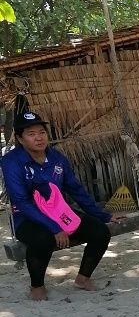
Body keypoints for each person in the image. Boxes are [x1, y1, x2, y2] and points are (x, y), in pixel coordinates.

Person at [1, 110, 119, 301]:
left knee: (100, 232)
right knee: (43, 239)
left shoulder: (56, 158)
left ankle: (83, 279)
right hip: (26, 217)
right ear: (20, 139)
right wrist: (55, 228)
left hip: (58, 213)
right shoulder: (12, 162)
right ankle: (37, 287)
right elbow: (21, 201)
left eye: (42, 132)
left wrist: (102, 215)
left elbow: (75, 189)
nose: (39, 138)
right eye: (31, 134)